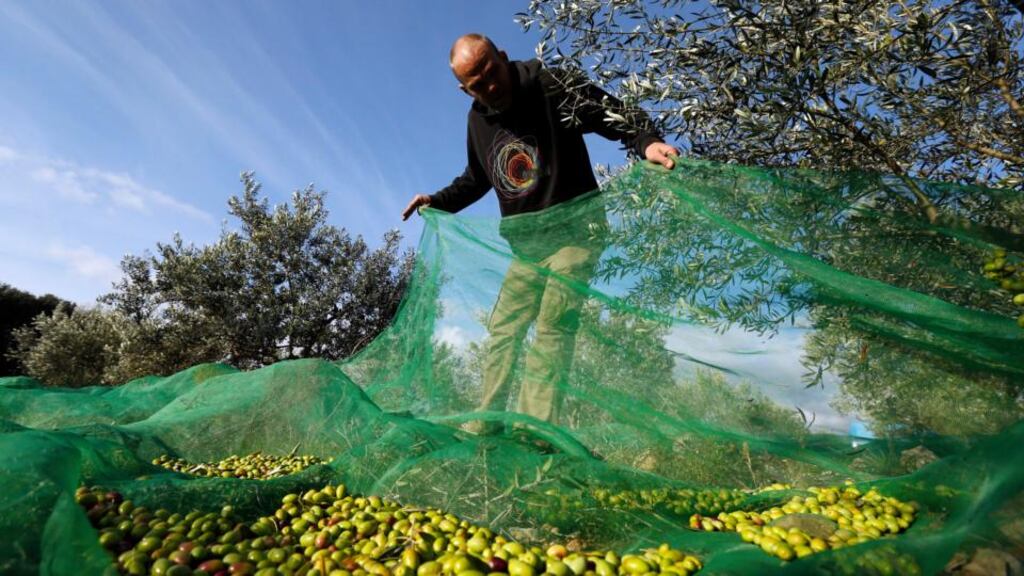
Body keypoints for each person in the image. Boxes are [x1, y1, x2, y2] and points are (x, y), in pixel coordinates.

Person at [401, 34, 678, 436]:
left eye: (490, 71)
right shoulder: (477, 119)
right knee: (503, 330)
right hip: (528, 245)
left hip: (576, 232)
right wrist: (437, 201)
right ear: (465, 90)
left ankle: (533, 431)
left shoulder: (550, 84)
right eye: (476, 83)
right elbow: (477, 178)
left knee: (553, 322)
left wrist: (647, 141)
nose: (489, 85)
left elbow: (612, 114)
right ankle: (487, 426)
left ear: (502, 56)